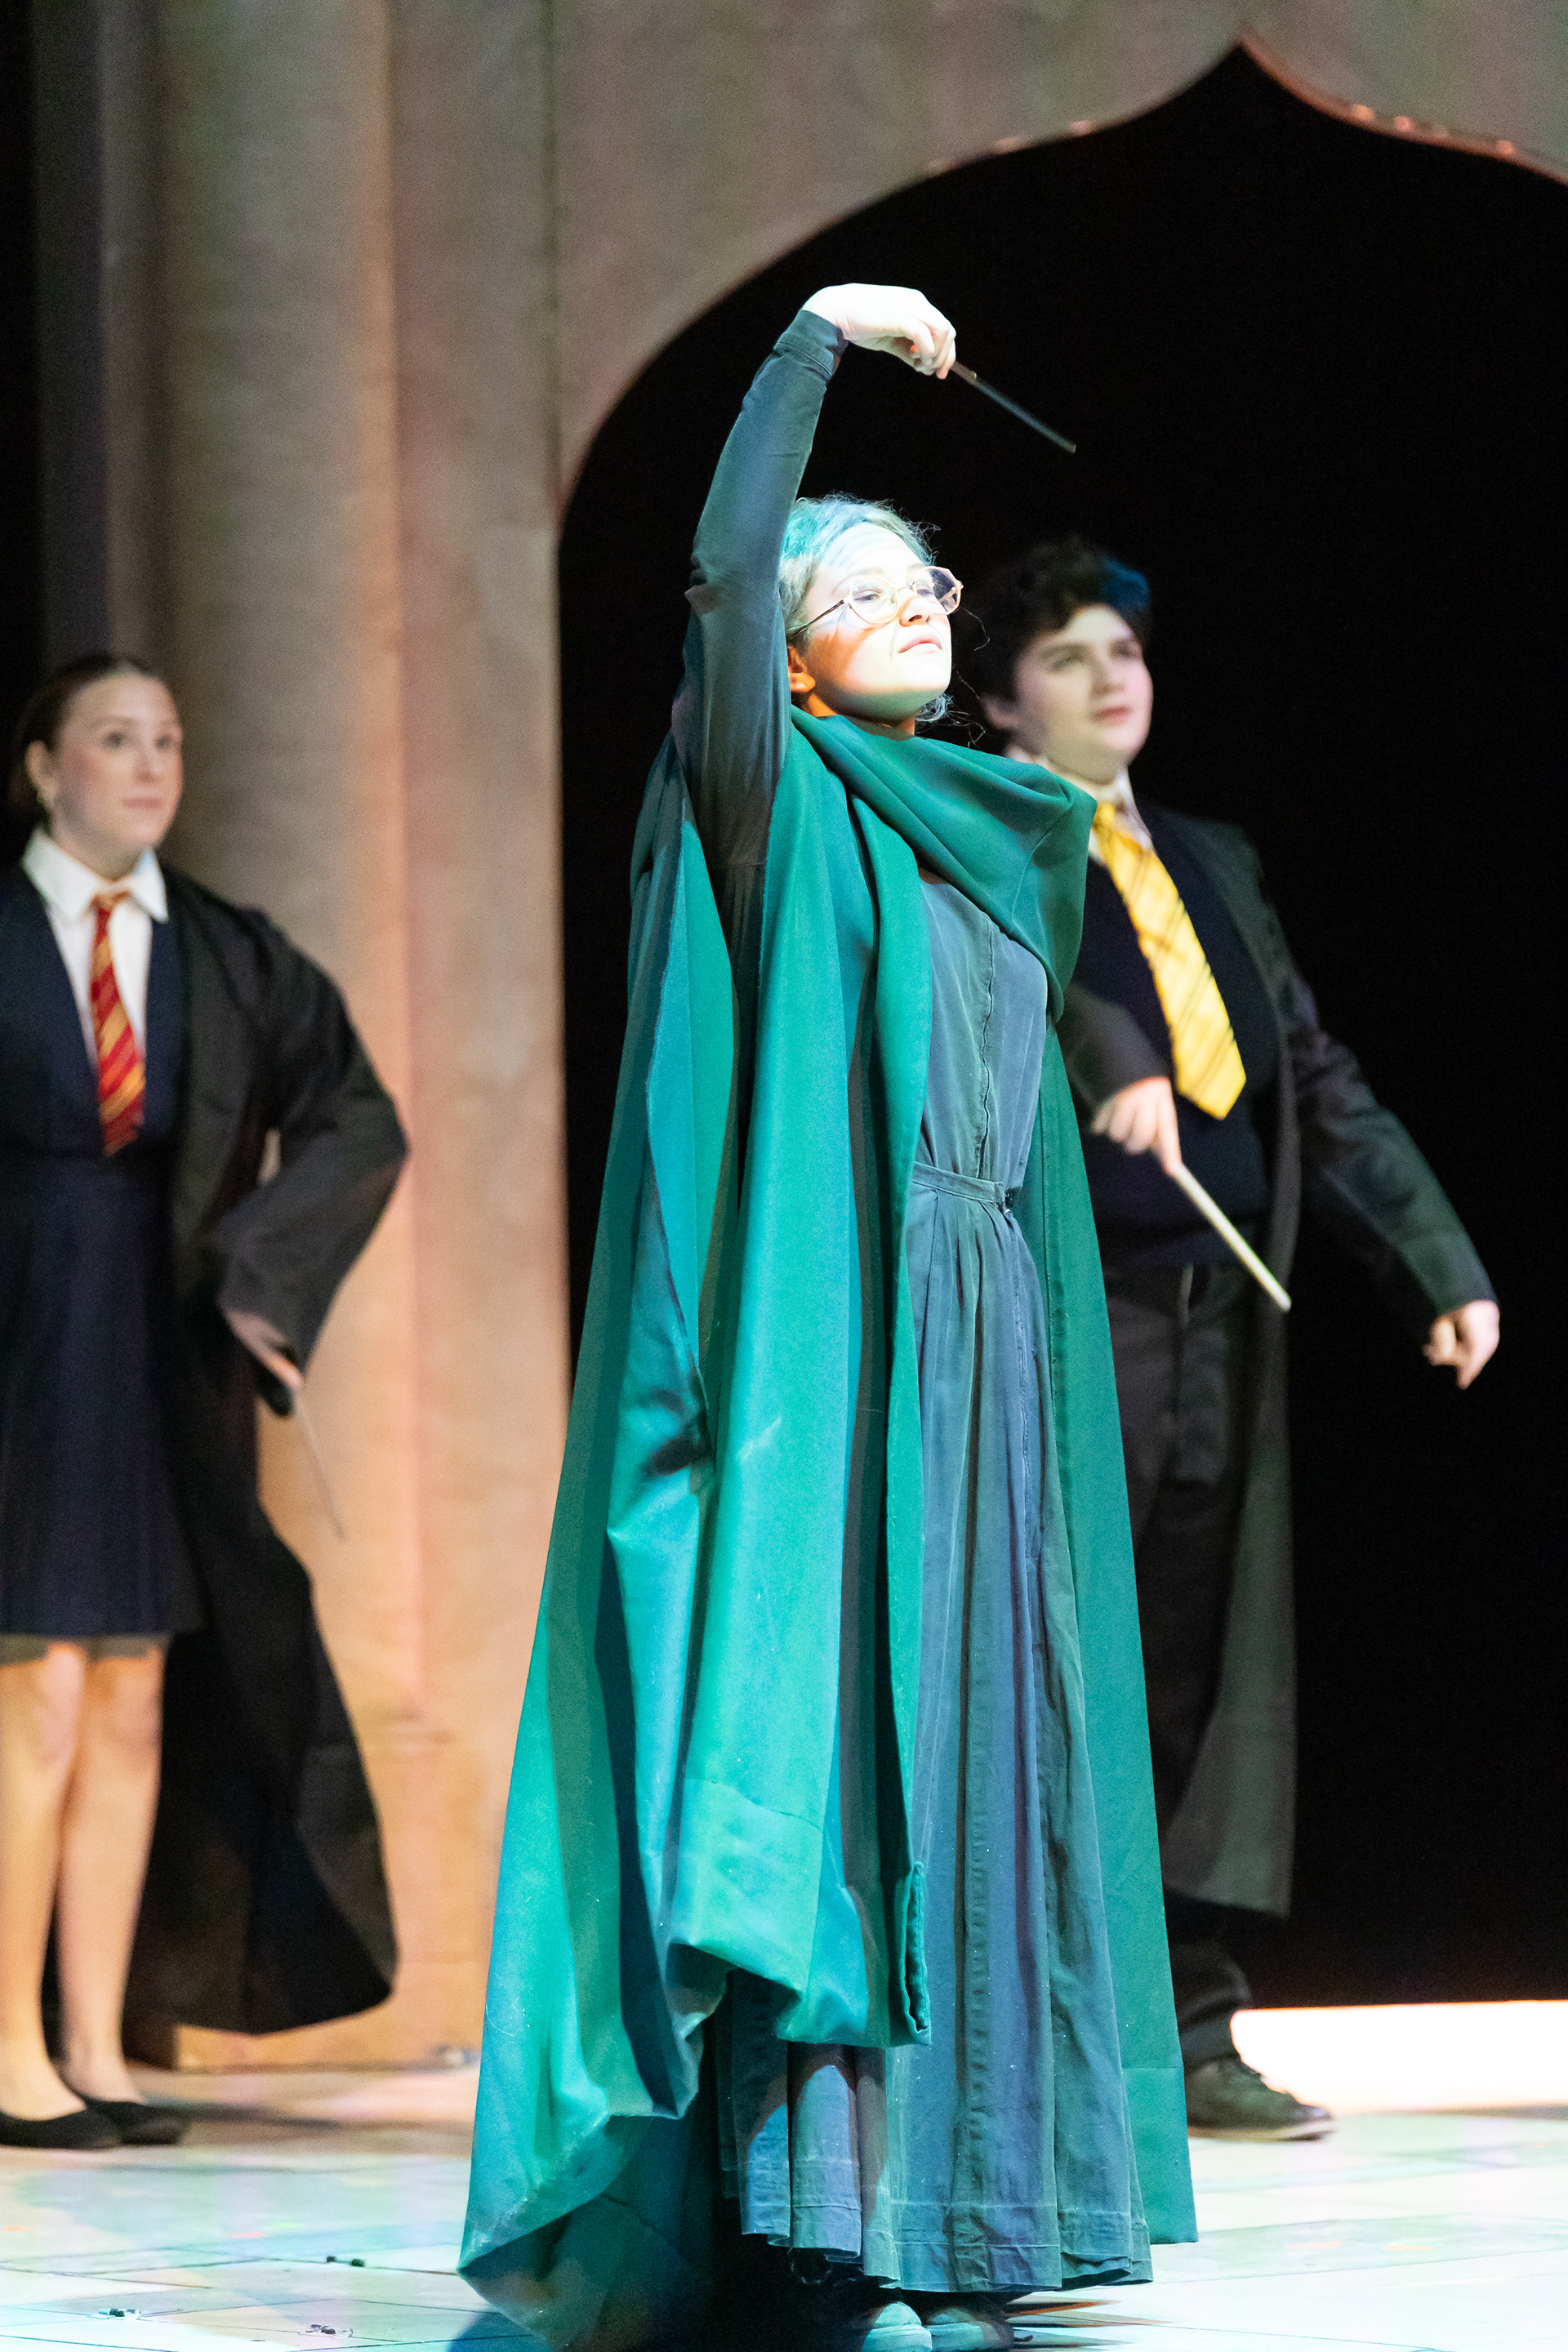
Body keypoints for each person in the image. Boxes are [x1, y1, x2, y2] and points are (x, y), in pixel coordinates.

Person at [461, 290, 1194, 2352]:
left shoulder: (997, 832)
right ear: (785, 657)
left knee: (983, 1765)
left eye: (921, 584)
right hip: (842, 1362)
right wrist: (813, 344)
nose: (911, 610)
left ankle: (976, 2219)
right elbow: (717, 575)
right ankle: (831, 2237)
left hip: (990, 1347)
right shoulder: (766, 793)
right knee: (849, 1775)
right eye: (855, 592)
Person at [970, 540, 1499, 2141]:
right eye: (1067, 658)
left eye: (1124, 649)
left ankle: (1187, 2028)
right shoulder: (984, 842)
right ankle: (1033, 2035)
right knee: (1061, 1660)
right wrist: (1097, 1051)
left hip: (1216, 1319)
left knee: (1189, 1684)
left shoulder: (1210, 857)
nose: (1110, 678)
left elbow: (1309, 1073)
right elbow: (992, 999)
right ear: (1002, 703)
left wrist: (1436, 1263)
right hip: (1072, 1319)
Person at [0, 654, 406, 2150]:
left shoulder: (223, 951)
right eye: (115, 739)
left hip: (156, 1340)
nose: (149, 766)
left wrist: (263, 1277)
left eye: (167, 739)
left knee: (132, 1690)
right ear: (43, 769)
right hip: (26, 1335)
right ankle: (9, 2048)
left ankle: (95, 2041)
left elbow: (359, 1114)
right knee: (39, 1686)